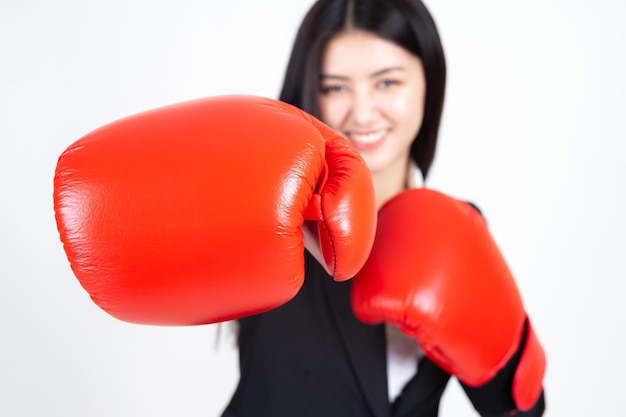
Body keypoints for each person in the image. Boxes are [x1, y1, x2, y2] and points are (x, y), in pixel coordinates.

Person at [220, 0, 546, 416]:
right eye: (335, 87)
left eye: (387, 82)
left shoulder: (455, 225)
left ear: (428, 80)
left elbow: (521, 409)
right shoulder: (273, 218)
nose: (362, 112)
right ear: (311, 93)